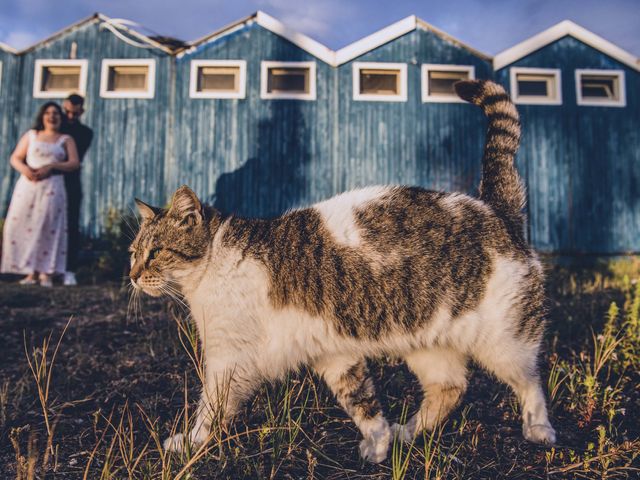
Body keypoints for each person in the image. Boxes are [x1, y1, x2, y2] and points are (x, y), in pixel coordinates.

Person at [1, 102, 80, 286]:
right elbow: (15, 157)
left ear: (61, 118)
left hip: (52, 186)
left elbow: (74, 163)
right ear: (42, 116)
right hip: (28, 186)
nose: (52, 117)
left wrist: (52, 166)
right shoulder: (32, 135)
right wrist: (26, 170)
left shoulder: (66, 139)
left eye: (56, 114)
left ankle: (47, 272)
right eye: (48, 113)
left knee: (48, 226)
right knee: (22, 224)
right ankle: (30, 272)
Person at [61, 94, 93, 286]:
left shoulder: (84, 132)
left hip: (71, 182)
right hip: (48, 182)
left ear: (81, 111)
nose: (71, 116)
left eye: (75, 112)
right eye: (67, 112)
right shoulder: (52, 127)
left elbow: (75, 157)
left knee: (71, 224)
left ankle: (69, 269)